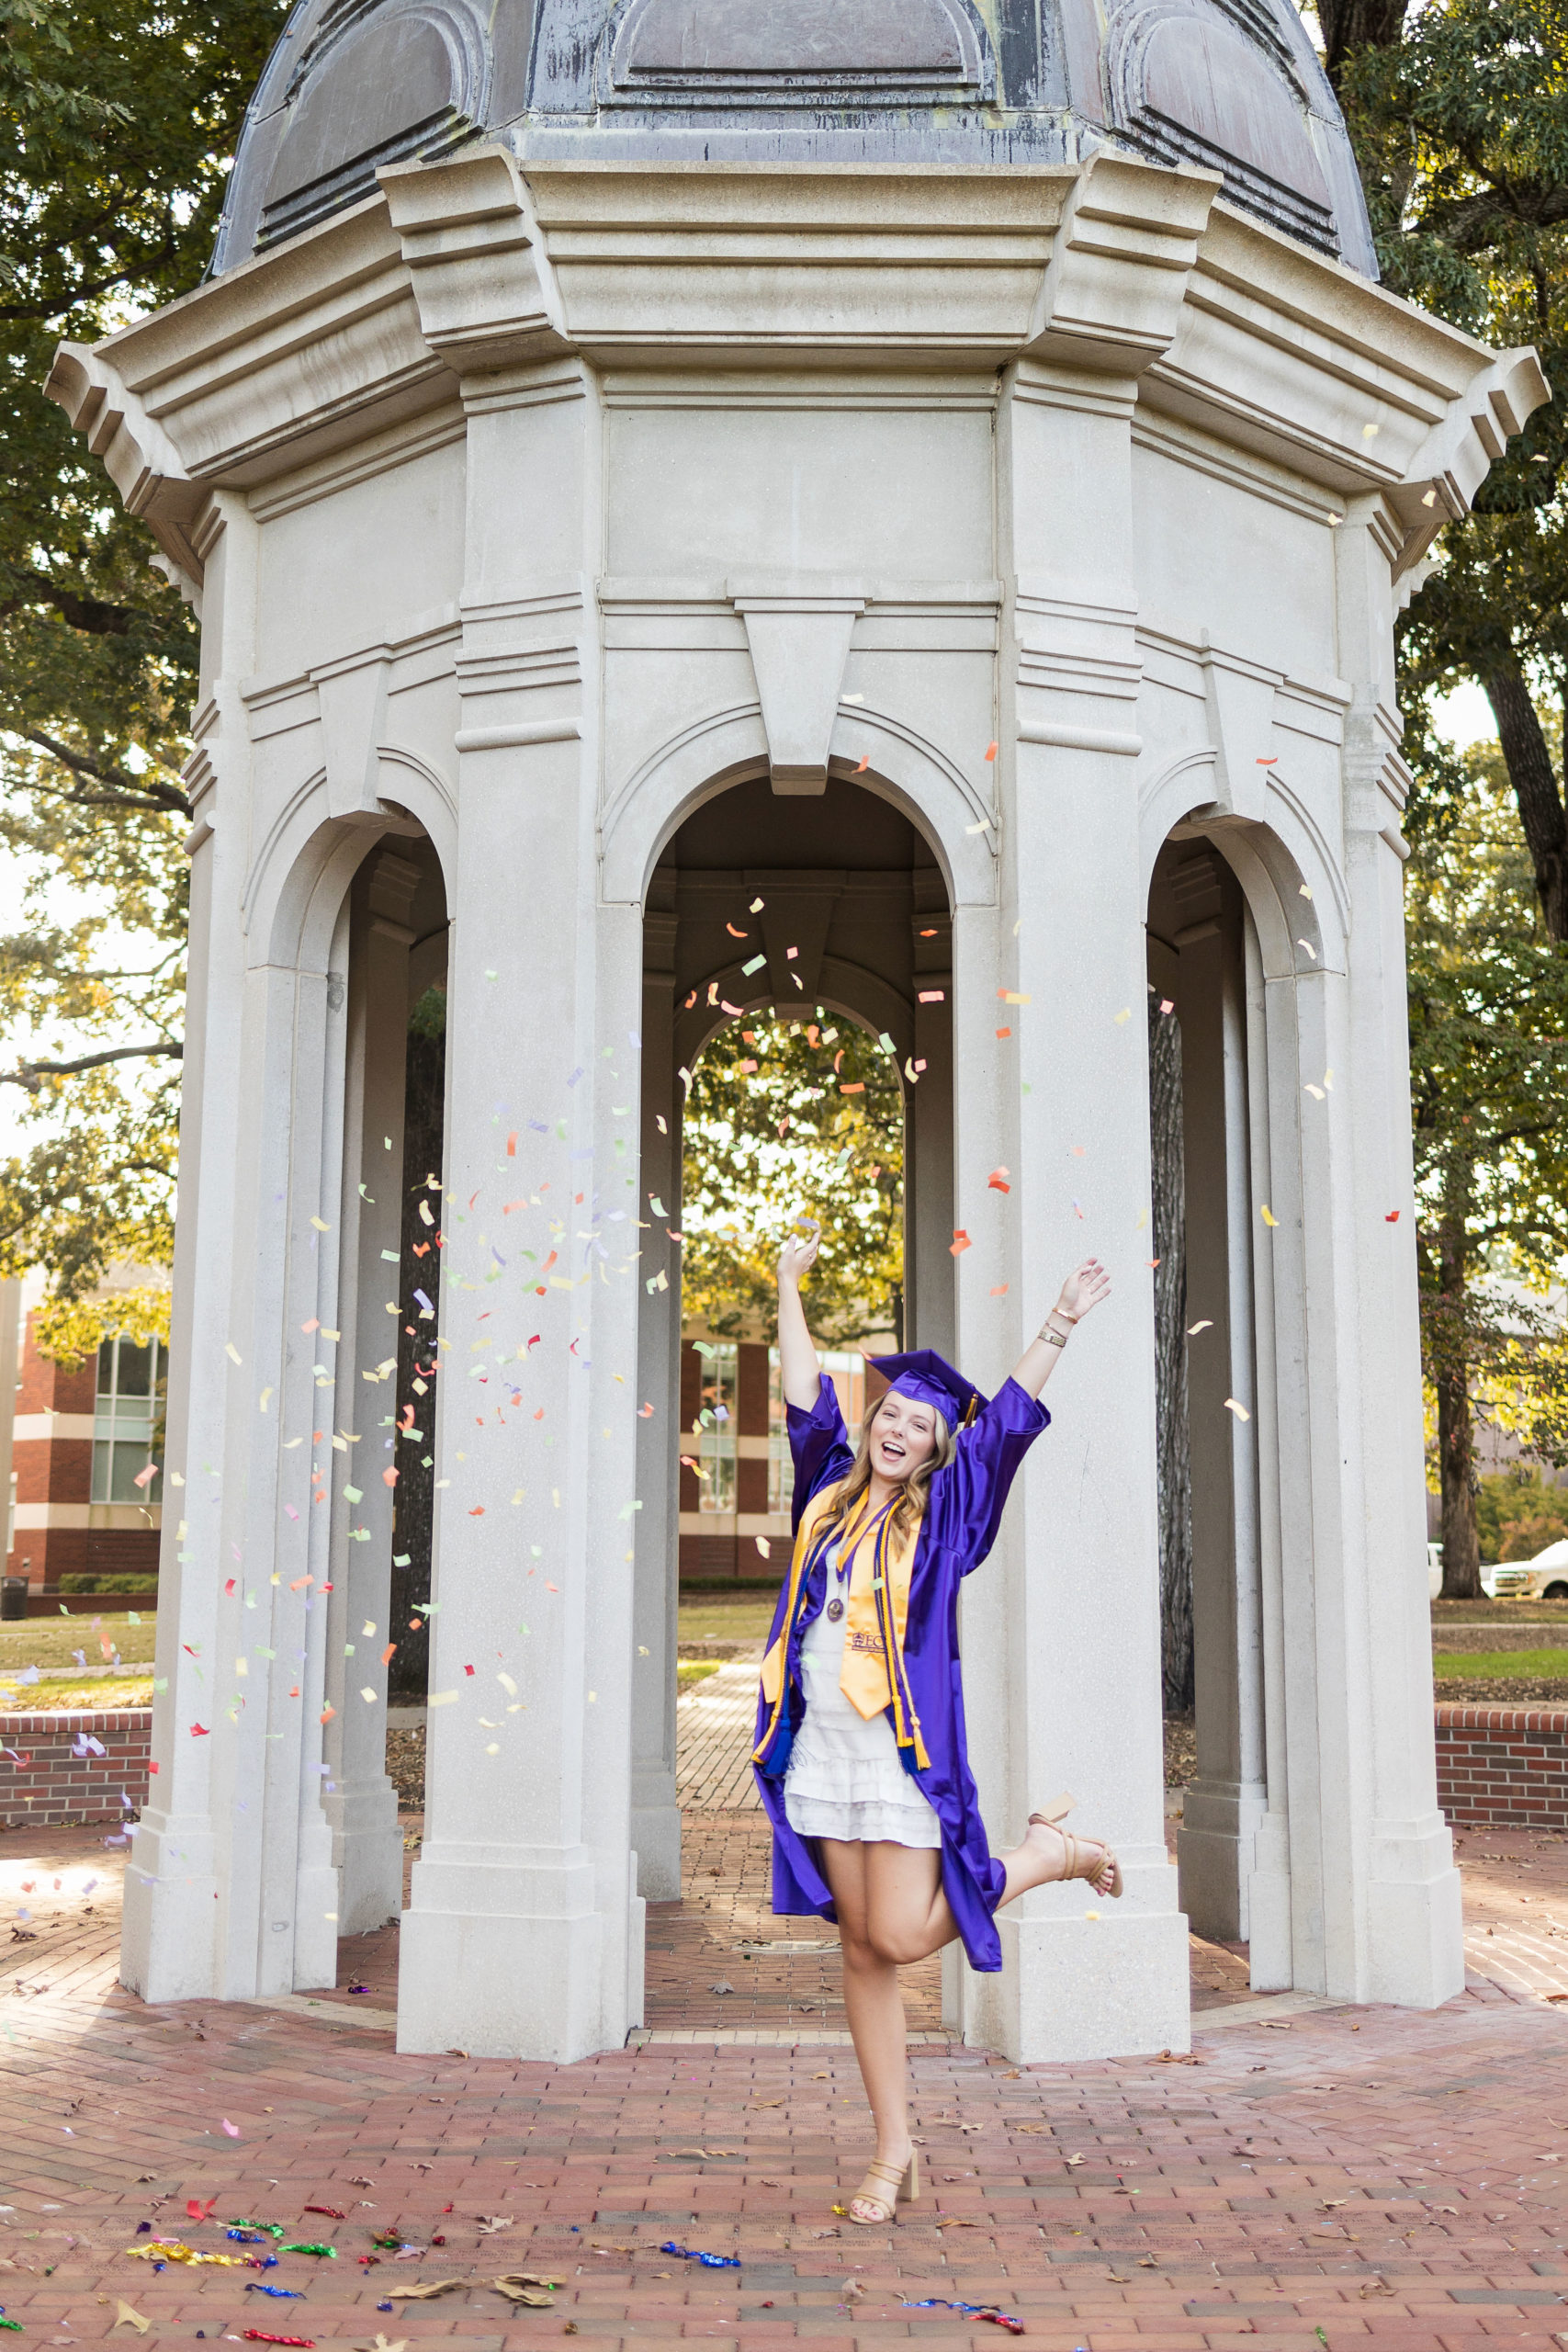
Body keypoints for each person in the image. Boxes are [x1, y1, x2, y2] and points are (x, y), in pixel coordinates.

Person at [752, 1225, 1116, 2226]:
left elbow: (1004, 1423)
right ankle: (893, 2148)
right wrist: (788, 1286)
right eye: (891, 1412)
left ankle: (1045, 1855)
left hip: (901, 1750)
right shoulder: (825, 1489)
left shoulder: (950, 1515)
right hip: (822, 1742)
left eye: (919, 1421)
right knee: (863, 1948)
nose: (898, 1426)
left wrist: (1057, 1325)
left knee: (908, 1933)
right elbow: (800, 1394)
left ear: (934, 1446)